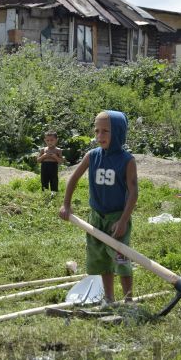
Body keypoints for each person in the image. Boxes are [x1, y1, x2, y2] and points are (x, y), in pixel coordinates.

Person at [59, 111, 138, 305]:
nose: (99, 136)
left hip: (116, 219)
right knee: (102, 259)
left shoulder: (127, 160)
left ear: (118, 133)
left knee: (121, 259)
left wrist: (123, 220)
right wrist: (66, 205)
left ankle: (129, 300)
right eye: (97, 131)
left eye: (106, 131)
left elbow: (133, 192)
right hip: (96, 218)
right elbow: (74, 178)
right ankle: (109, 298)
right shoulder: (92, 156)